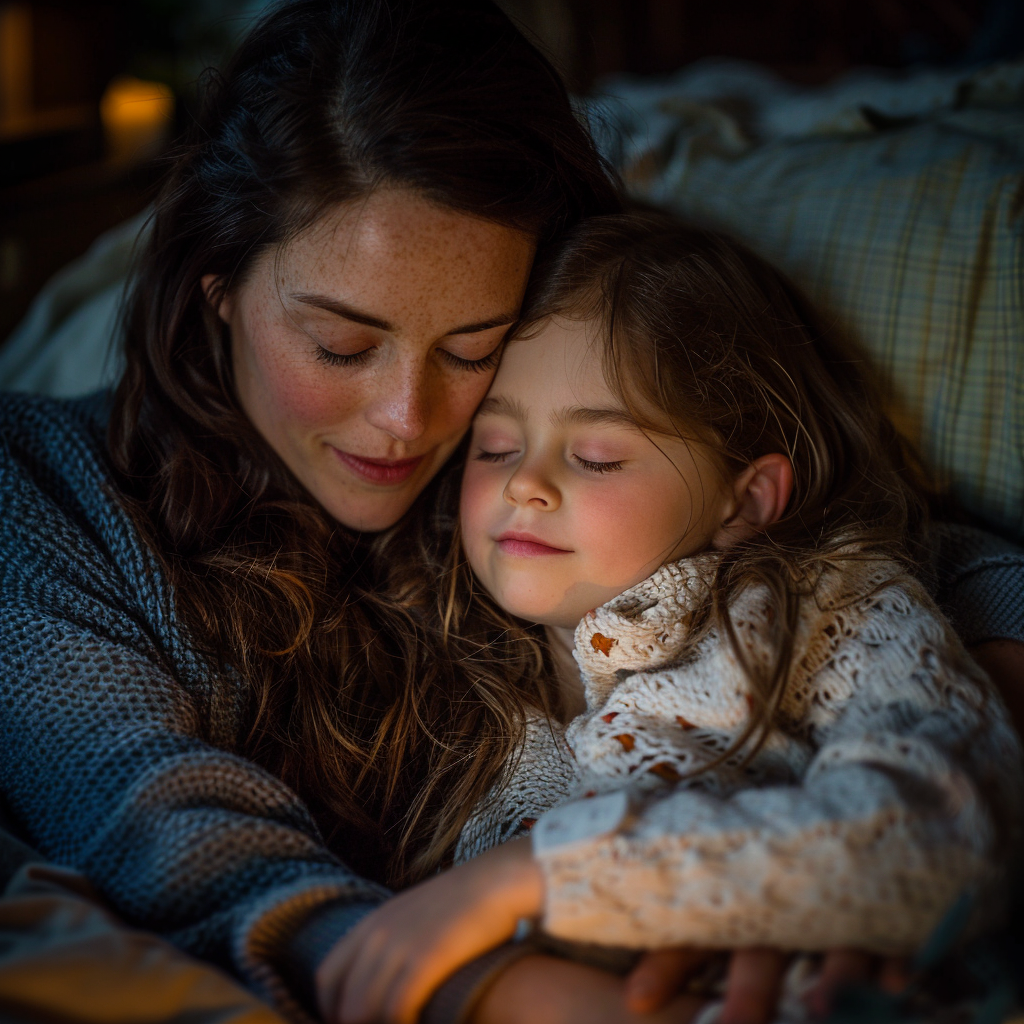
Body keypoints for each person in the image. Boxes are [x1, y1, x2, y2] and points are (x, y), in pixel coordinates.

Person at [1, 3, 1022, 1024]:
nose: (409, 424)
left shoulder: (519, 477)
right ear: (219, 288)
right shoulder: (40, 487)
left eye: (470, 348)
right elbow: (172, 835)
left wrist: (831, 858)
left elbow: (872, 561)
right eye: (342, 347)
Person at [316, 214, 1024, 1024]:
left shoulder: (825, 610)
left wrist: (534, 877)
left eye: (597, 458)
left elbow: (945, 829)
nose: (526, 485)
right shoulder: (447, 665)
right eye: (496, 444)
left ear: (745, 497)